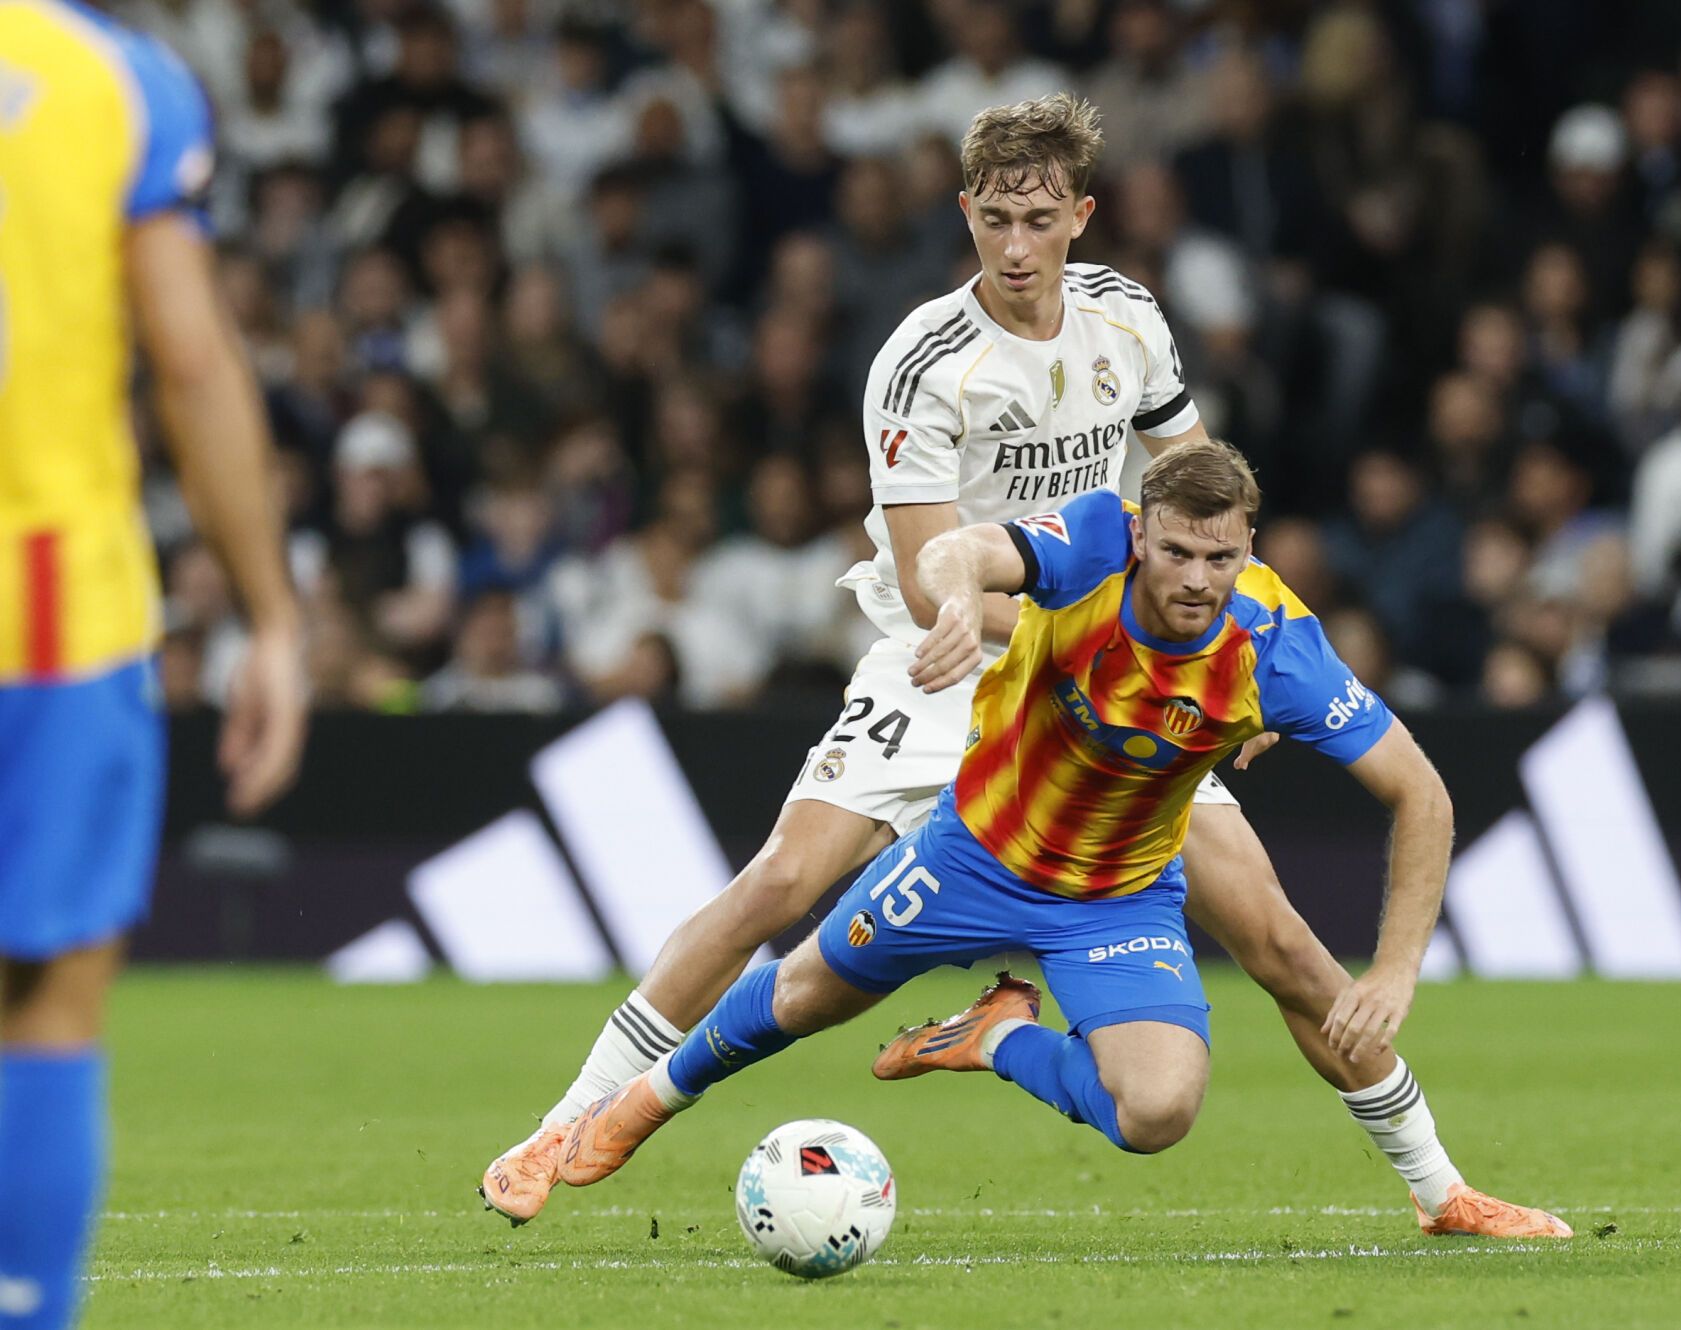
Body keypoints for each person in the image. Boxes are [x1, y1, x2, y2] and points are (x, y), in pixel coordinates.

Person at [481, 94, 1561, 1239]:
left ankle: (1439, 1189)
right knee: (784, 888)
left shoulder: (1129, 322)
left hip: (1126, 658)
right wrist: (1074, 636)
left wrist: (1229, 652)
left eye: (1037, 219)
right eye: (992, 218)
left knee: (1279, 939)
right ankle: (567, 1120)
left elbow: (1197, 481)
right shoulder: (923, 360)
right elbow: (920, 570)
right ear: (963, 211)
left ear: (1080, 216)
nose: (1012, 246)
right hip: (962, 647)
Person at [550, 444, 1569, 1238]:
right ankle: (628, 1109)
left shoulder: (1274, 648)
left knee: (1163, 1105)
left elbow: (1421, 794)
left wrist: (1393, 970)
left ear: (1248, 550)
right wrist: (955, 598)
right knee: (805, 992)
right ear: (1140, 535)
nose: (1197, 579)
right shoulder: (1086, 543)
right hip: (972, 855)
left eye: (1222, 557)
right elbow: (956, 550)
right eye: (1175, 550)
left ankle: (998, 1039)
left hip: (1118, 896)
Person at [0, 5, 308, 1327]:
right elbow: (191, 361)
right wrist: (273, 619)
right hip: (51, 612)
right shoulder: (111, 78)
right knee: (50, 1002)